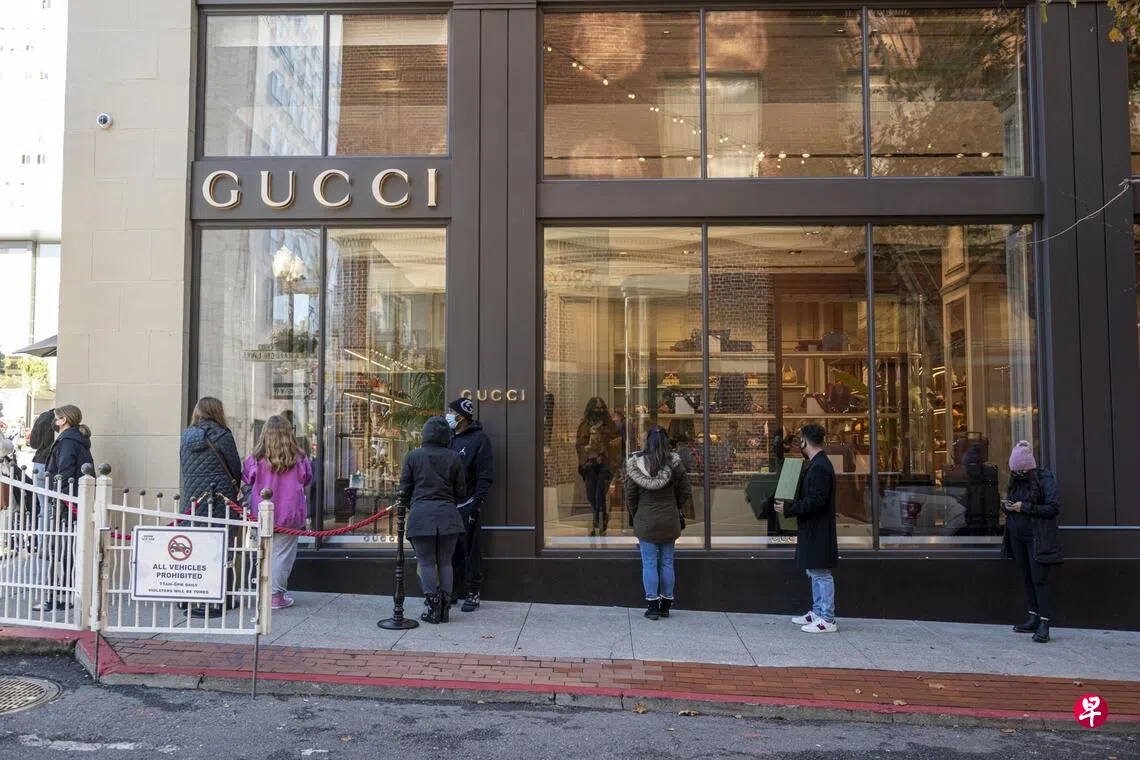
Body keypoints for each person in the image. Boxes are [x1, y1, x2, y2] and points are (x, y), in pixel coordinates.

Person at [398, 416, 467, 625]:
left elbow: (404, 489)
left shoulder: (413, 456)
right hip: (448, 515)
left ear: (425, 434)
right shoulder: (454, 457)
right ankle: (445, 609)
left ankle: (433, 607)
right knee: (446, 562)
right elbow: (461, 491)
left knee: (426, 562)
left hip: (421, 514)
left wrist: (411, 504)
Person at [774, 423, 839, 633]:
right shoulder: (818, 464)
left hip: (817, 527)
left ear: (804, 441)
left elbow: (816, 500)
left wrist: (790, 508)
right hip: (813, 527)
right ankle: (818, 612)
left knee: (820, 573)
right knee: (814, 570)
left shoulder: (820, 466)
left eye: (800, 439)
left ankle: (827, 618)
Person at [243, 415, 312, 610]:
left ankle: (263, 591)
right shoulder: (299, 458)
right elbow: (307, 478)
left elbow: (247, 477)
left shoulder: (256, 458)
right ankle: (275, 595)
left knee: (263, 554)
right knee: (283, 556)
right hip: (290, 514)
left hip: (261, 513)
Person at [625, 426, 691, 621]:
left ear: (647, 441)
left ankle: (652, 606)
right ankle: (666, 605)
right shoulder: (674, 464)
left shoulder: (636, 465)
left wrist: (637, 514)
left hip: (645, 519)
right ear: (666, 441)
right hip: (669, 518)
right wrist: (675, 507)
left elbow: (630, 496)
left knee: (649, 563)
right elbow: (685, 491)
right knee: (667, 561)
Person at [1001, 441, 1062, 644]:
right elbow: (1013, 503)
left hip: (1037, 538)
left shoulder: (1044, 479)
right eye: (1015, 471)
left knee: (1039, 579)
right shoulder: (1016, 481)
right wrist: (1007, 507)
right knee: (1027, 577)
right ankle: (1033, 617)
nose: (1018, 474)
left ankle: (1045, 623)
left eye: (1021, 471)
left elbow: (1053, 508)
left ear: (1028, 467)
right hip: (1017, 536)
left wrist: (1024, 507)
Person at [36, 404, 94, 613]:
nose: (55, 421)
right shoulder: (74, 439)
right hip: (72, 501)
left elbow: (65, 472)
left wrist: (57, 497)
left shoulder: (67, 441)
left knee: (59, 549)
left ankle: (55, 597)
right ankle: (63, 594)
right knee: (66, 549)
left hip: (66, 503)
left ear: (64, 420)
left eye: (57, 417)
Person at [446, 397, 493, 612]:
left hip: (468, 504)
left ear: (462, 417)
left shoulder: (479, 439)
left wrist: (477, 503)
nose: (448, 416)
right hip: (447, 504)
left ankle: (473, 592)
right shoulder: (448, 438)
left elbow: (485, 475)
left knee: (471, 549)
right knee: (450, 550)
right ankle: (451, 590)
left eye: (451, 412)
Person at [180, 397, 242, 512]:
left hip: (192, 500)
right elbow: (235, 469)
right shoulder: (223, 436)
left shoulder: (185, 437)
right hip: (220, 499)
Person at [575, 397, 621, 537]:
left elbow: (617, 442)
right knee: (591, 495)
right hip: (589, 464)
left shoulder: (610, 425)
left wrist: (607, 446)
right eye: (596, 408)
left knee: (599, 494)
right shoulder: (584, 425)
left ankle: (598, 523)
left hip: (604, 463)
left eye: (601, 408)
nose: (599, 411)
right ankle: (602, 517)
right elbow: (578, 444)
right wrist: (586, 449)